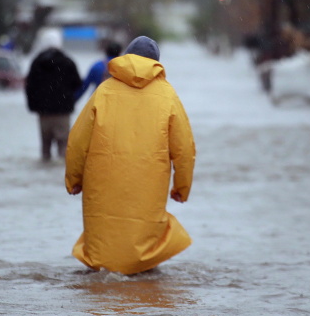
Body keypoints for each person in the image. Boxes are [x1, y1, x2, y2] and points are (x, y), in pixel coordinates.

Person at [64, 35, 196, 275]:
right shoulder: (167, 96)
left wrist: (74, 180)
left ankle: (101, 289)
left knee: (104, 241)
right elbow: (184, 148)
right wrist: (181, 187)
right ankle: (141, 281)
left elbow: (77, 141)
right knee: (145, 241)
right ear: (156, 62)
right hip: (148, 183)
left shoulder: (104, 91)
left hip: (104, 181)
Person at [25, 30, 81, 161]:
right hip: (63, 112)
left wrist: (33, 106)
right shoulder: (68, 62)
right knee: (63, 149)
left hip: (43, 113)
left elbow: (29, 86)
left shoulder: (37, 62)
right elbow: (78, 84)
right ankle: (59, 178)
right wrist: (70, 100)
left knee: (45, 148)